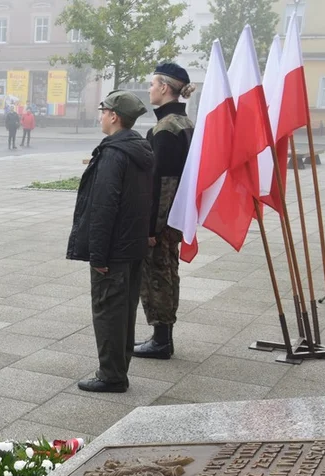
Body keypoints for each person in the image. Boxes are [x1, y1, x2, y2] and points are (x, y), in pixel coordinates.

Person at [66, 90, 153, 394]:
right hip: (133, 246)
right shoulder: (140, 149)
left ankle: (112, 375)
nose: (101, 115)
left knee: (108, 311)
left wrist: (98, 256)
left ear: (114, 116)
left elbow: (103, 208)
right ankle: (118, 366)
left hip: (113, 249)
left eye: (103, 110)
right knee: (124, 309)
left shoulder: (114, 154)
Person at [134, 62, 196, 361]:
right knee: (168, 273)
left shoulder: (165, 129)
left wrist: (150, 230)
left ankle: (161, 341)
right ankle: (162, 337)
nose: (149, 89)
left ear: (163, 87)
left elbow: (161, 184)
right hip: (177, 215)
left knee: (158, 274)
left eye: (151, 84)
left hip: (163, 219)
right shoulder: (185, 123)